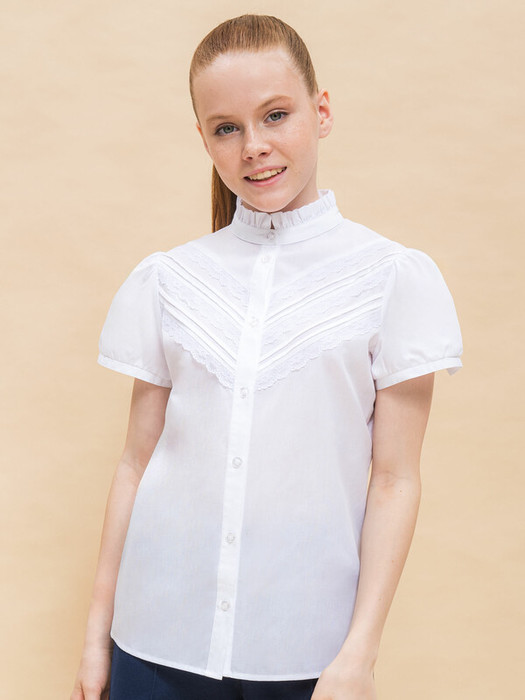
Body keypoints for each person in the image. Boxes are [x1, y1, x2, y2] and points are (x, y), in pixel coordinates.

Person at [71, 14, 462, 700]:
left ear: (321, 112)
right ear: (204, 140)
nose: (253, 146)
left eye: (275, 115)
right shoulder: (169, 279)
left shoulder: (391, 278)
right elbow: (136, 462)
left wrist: (359, 654)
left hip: (305, 652)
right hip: (154, 640)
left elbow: (394, 480)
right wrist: (95, 637)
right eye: (226, 127)